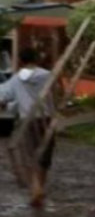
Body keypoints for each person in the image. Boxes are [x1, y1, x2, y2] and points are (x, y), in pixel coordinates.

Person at [0, 48, 56, 207]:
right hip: (47, 119)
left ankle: (36, 189)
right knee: (45, 157)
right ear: (36, 59)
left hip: (28, 121)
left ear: (20, 61)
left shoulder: (16, 79)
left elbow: (2, 96)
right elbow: (57, 94)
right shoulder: (48, 75)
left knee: (32, 156)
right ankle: (39, 189)